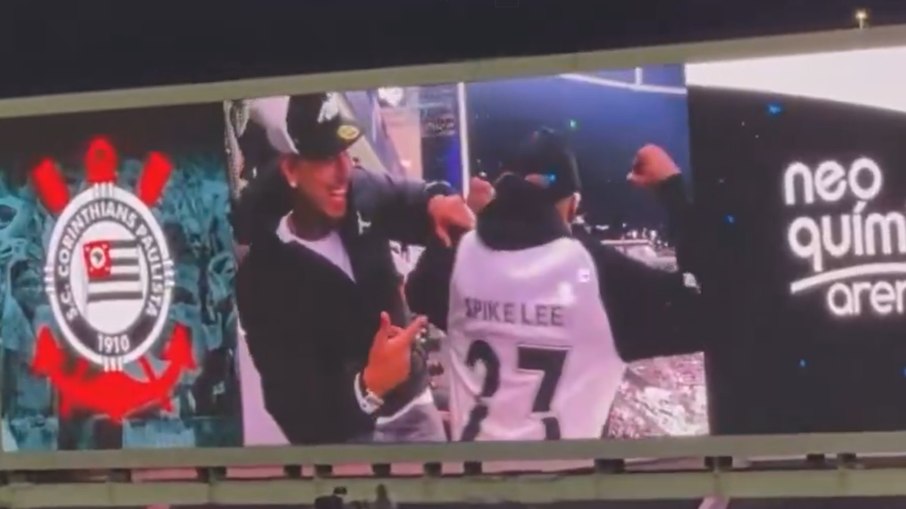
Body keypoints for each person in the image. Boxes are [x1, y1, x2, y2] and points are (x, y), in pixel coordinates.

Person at [405, 128, 704, 441]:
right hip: (566, 481)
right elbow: (710, 301)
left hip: (476, 480)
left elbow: (418, 291)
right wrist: (673, 189)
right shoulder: (601, 274)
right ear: (573, 206)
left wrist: (464, 222)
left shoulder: (460, 259)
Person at [233, 93, 475, 444]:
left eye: (345, 152)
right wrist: (369, 385)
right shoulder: (262, 279)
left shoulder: (361, 192)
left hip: (414, 410)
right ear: (290, 169)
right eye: (326, 157)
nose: (344, 171)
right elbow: (293, 408)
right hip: (346, 437)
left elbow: (414, 198)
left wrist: (436, 200)